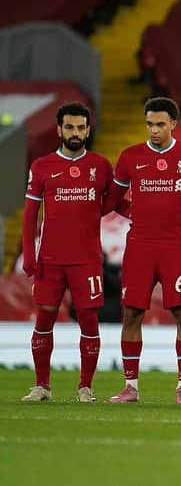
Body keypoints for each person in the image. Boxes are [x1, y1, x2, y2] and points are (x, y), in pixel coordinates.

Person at [104, 97, 181, 404]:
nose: (154, 130)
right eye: (149, 124)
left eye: (160, 124)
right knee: (132, 313)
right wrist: (132, 213)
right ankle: (131, 387)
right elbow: (113, 199)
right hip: (139, 246)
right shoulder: (130, 156)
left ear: (173, 123)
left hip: (176, 247)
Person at [21, 102, 114, 403]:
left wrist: (144, 213)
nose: (75, 133)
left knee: (89, 321)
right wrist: (29, 254)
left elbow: (114, 203)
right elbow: (29, 214)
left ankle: (85, 387)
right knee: (44, 319)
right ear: (59, 129)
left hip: (87, 260)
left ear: (88, 130)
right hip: (50, 259)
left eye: (81, 127)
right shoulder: (42, 166)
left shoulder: (101, 166)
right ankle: (41, 386)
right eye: (69, 127)